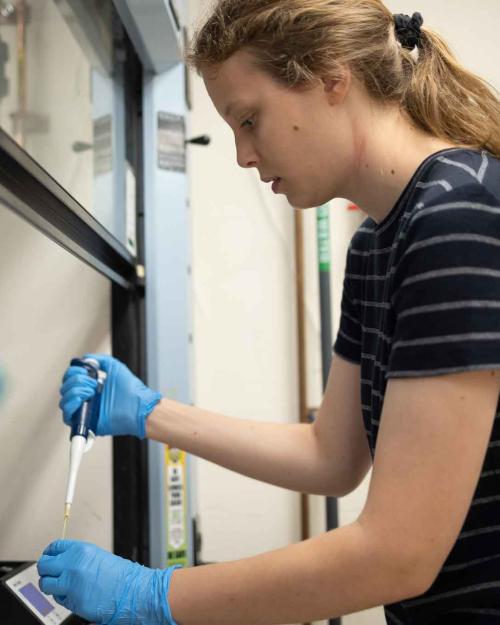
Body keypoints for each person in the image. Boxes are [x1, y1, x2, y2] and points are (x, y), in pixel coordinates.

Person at [37, 1, 500, 623]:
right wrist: (148, 412)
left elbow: (400, 553)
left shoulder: (456, 214)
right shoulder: (379, 241)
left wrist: (152, 597)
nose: (242, 156)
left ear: (332, 78)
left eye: (250, 119)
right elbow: (330, 456)